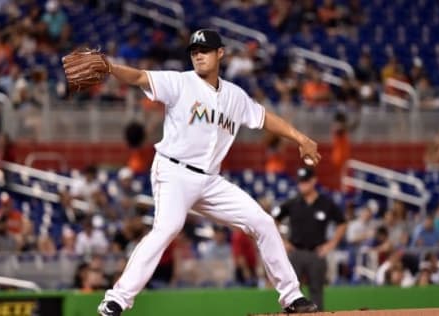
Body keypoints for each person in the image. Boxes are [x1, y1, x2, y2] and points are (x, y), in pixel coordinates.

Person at [95, 29, 321, 316]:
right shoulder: (180, 82)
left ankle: (291, 296)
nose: (198, 55)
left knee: (262, 222)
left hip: (210, 180)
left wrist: (300, 138)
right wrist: (112, 68)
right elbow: (140, 77)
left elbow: (264, 118)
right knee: (167, 228)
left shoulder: (235, 96)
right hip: (173, 172)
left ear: (221, 53)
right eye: (194, 51)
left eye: (205, 50)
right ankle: (116, 300)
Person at [272, 167, 346, 311]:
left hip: (316, 254)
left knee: (317, 293)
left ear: (313, 181)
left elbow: (342, 223)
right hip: (295, 253)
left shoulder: (326, 203)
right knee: (290, 294)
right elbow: (273, 220)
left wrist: (331, 244)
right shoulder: (292, 202)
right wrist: (283, 242)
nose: (302, 185)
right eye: (300, 182)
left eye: (305, 181)